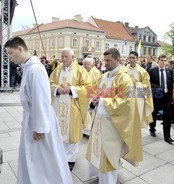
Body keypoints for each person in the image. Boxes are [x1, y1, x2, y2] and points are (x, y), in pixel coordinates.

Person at [4, 36, 72, 184]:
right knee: (33, 157)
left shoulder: (35, 69)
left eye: (10, 53)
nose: (9, 57)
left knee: (44, 160)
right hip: (33, 118)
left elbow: (41, 100)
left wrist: (39, 128)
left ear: (20, 49)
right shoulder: (29, 66)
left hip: (40, 122)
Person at [86, 48, 143, 184]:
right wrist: (93, 101)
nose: (106, 63)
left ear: (118, 60)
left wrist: (103, 102)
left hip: (113, 126)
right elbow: (92, 93)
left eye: (109, 60)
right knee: (97, 153)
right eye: (105, 60)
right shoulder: (102, 77)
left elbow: (127, 103)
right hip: (99, 123)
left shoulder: (125, 79)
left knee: (108, 157)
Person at [50, 48, 91, 171]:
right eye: (62, 56)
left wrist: (72, 89)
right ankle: (59, 156)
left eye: (66, 56)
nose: (63, 59)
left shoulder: (80, 70)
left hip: (73, 107)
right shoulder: (57, 70)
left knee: (71, 135)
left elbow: (88, 87)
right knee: (59, 132)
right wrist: (57, 88)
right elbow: (50, 82)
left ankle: (70, 160)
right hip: (59, 107)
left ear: (72, 57)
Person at [149, 54, 174, 143]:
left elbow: (170, 84)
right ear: (158, 61)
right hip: (156, 96)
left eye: (165, 60)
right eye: (162, 60)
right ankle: (152, 128)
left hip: (166, 97)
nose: (163, 62)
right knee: (154, 114)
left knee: (167, 117)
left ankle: (167, 136)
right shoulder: (152, 71)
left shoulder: (169, 71)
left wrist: (171, 97)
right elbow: (149, 83)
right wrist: (156, 87)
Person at [126, 51, 154, 127]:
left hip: (138, 96)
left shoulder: (142, 71)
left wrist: (137, 84)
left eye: (133, 58)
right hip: (126, 96)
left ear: (137, 59)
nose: (131, 59)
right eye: (130, 58)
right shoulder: (123, 70)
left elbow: (146, 85)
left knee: (137, 116)